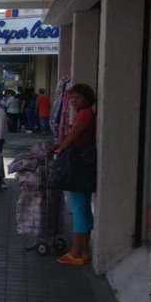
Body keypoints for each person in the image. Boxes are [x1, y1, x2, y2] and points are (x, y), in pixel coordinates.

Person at [47, 83, 96, 265]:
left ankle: (76, 252)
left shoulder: (84, 114)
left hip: (79, 166)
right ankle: (83, 250)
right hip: (85, 165)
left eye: (77, 98)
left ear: (87, 99)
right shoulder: (87, 113)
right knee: (83, 208)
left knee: (78, 209)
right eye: (72, 98)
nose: (74, 101)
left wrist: (60, 147)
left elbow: (73, 135)